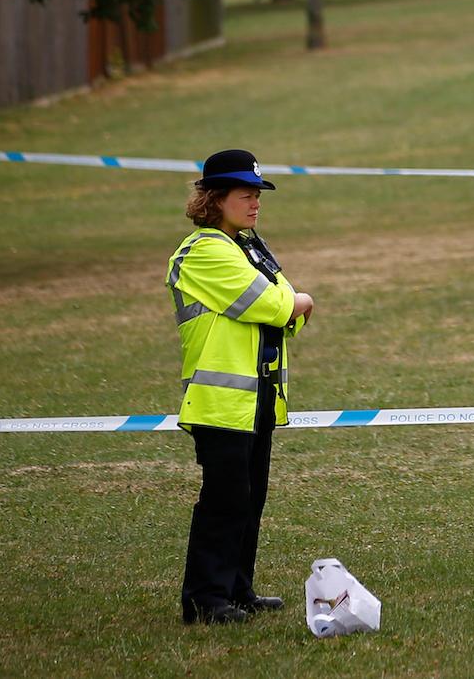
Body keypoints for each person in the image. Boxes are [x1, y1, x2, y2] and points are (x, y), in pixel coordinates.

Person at [168, 149, 313, 624]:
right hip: (221, 401)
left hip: (259, 396)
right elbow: (275, 304)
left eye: (257, 195)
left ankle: (237, 590)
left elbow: (286, 312)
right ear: (215, 199)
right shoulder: (205, 251)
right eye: (245, 195)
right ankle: (204, 600)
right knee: (225, 500)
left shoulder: (249, 247)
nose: (255, 204)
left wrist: (291, 305)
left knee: (251, 498)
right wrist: (295, 302)